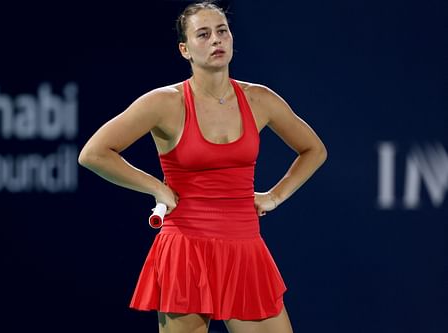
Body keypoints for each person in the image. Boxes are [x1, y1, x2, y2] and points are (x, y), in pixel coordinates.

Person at [78, 1, 327, 332]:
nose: (216, 41)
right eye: (204, 34)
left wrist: (275, 196)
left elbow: (314, 150)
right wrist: (156, 187)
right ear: (185, 50)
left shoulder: (259, 99)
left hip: (245, 249)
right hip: (185, 251)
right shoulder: (164, 103)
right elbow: (94, 153)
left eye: (222, 31)